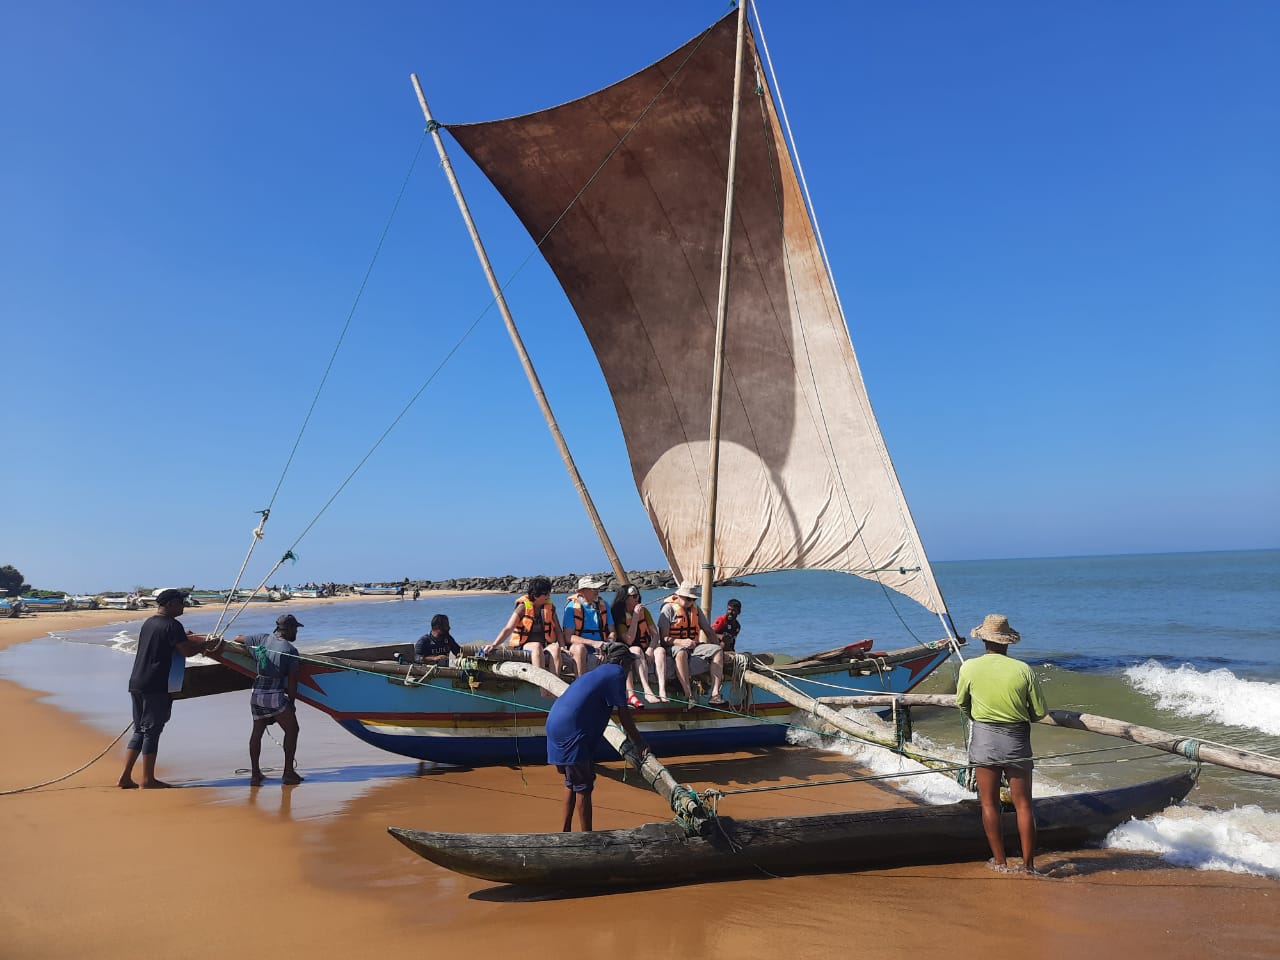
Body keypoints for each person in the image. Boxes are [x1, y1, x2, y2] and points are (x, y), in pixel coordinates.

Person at [956, 613, 1048, 875]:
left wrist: (977, 715)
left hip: (985, 739)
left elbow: (962, 703)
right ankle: (1028, 865)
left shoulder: (969, 668)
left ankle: (999, 862)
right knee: (1023, 805)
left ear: (983, 640)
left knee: (989, 804)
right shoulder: (1023, 670)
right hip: (1016, 740)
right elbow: (1039, 711)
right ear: (1007, 643)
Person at [544, 641, 650, 831]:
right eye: (629, 665)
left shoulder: (596, 673)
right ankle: (588, 839)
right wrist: (640, 743)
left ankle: (564, 833)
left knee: (571, 782)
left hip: (554, 725)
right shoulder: (616, 673)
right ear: (622, 662)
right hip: (571, 731)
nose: (629, 670)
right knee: (584, 786)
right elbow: (623, 715)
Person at [118, 588, 213, 789]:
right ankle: (147, 780)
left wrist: (187, 639)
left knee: (140, 730)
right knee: (152, 730)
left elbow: (167, 644)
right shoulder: (173, 625)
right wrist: (205, 644)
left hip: (137, 681)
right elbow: (186, 651)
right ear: (169, 604)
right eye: (180, 602)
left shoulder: (149, 623)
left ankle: (125, 777)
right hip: (156, 684)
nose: (184, 606)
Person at [236, 613, 306, 786]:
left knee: (257, 732)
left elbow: (238, 639)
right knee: (292, 730)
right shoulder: (290, 650)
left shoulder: (262, 639)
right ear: (288, 629)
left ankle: (255, 774)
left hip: (257, 692)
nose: (296, 632)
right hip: (274, 694)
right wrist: (292, 702)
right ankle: (288, 773)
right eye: (295, 629)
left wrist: (252, 653)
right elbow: (292, 680)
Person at [658, 581, 727, 707]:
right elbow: (664, 639)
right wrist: (681, 642)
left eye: (692, 599)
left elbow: (708, 630)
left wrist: (719, 647)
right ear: (679, 596)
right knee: (681, 652)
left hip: (694, 646)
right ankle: (688, 695)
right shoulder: (668, 609)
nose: (690, 601)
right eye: (687, 598)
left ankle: (715, 694)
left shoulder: (695, 609)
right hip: (673, 646)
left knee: (717, 650)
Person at [494, 576, 564, 674]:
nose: (548, 596)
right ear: (536, 596)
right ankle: (542, 685)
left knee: (555, 648)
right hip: (524, 646)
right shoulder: (523, 607)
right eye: (546, 594)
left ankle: (555, 683)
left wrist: (563, 647)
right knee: (536, 646)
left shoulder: (550, 608)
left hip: (544, 645)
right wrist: (494, 645)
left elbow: (558, 630)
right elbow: (508, 628)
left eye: (549, 593)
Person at [611, 585, 661, 705]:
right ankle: (646, 690)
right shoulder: (619, 614)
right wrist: (635, 617)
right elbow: (629, 639)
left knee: (660, 651)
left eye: (637, 595)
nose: (637, 598)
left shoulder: (644, 611)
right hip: (627, 648)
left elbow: (655, 634)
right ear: (625, 598)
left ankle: (661, 690)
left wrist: (650, 649)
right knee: (636, 650)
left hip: (644, 646)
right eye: (633, 596)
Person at [562, 575, 614, 676]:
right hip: (580, 648)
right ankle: (581, 683)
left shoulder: (604, 605)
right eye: (593, 589)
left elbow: (612, 631)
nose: (597, 591)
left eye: (597, 588)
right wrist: (593, 643)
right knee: (579, 648)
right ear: (581, 591)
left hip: (602, 647)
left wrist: (606, 645)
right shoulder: (572, 607)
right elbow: (568, 637)